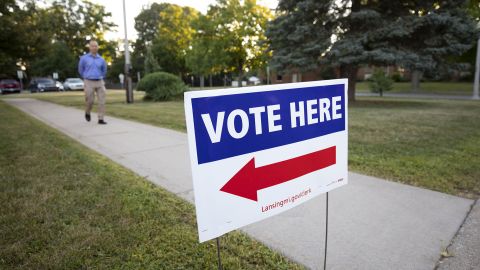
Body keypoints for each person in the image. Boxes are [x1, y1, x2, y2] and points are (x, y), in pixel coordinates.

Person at [78, 39, 108, 124]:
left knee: (102, 101)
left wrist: (101, 76)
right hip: (88, 81)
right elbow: (80, 69)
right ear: (89, 47)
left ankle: (101, 118)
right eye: (92, 46)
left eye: (96, 46)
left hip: (99, 81)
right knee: (90, 101)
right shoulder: (84, 58)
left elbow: (104, 70)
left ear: (98, 47)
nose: (94, 47)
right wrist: (85, 76)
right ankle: (87, 112)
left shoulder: (101, 59)